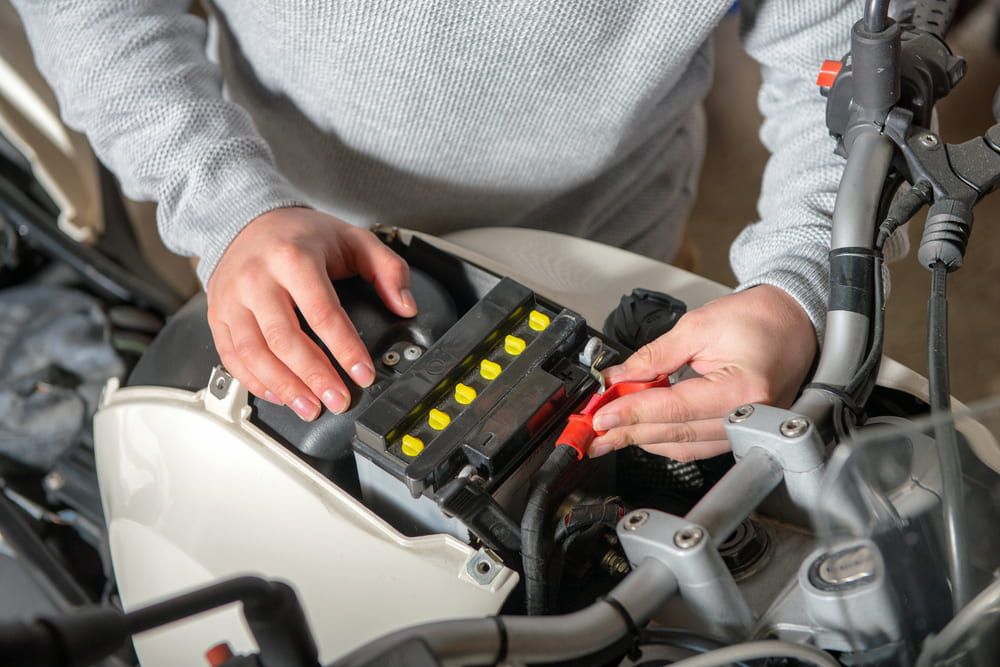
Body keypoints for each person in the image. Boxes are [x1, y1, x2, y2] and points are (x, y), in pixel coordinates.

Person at [13, 1, 850, 462]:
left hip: (612, 264)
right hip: (290, 252)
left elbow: (845, 43)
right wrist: (224, 204)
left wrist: (798, 281)